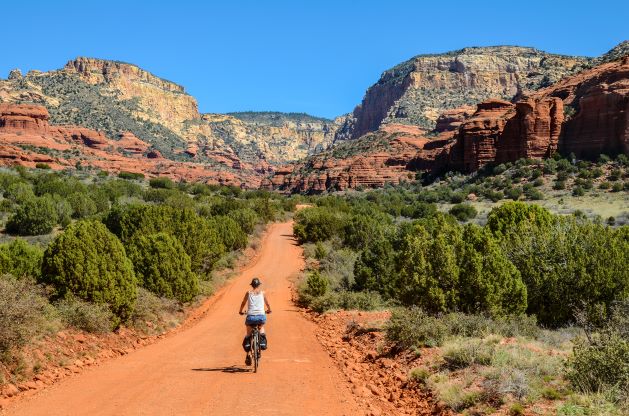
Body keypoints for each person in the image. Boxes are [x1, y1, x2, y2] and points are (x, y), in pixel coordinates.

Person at [239, 277, 271, 366]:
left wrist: (241, 311)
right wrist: (269, 310)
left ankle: (248, 355)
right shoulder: (262, 293)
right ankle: (261, 342)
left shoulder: (248, 293)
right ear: (259, 285)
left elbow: (243, 303)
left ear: (252, 285)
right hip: (261, 317)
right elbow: (267, 304)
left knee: (248, 335)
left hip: (250, 317)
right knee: (261, 328)